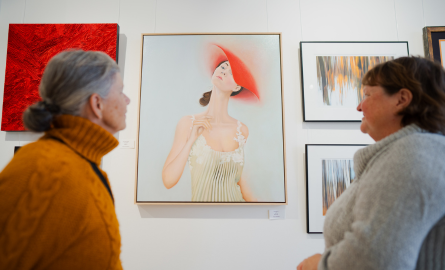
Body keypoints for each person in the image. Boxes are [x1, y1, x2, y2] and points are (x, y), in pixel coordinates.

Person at [297, 56, 445, 270]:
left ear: (401, 99)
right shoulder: (413, 152)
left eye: (366, 94)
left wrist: (321, 264)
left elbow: (376, 260)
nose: (359, 107)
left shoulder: (414, 154)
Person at [0, 50, 130, 270]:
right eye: (121, 91)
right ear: (97, 104)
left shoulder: (83, 167)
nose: (127, 100)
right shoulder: (45, 169)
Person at [162, 58, 255, 202]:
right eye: (222, 67)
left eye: (231, 72)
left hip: (236, 212)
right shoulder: (188, 123)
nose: (223, 71)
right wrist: (191, 139)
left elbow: (241, 182)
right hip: (202, 216)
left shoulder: (242, 130)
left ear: (237, 87)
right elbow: (168, 181)